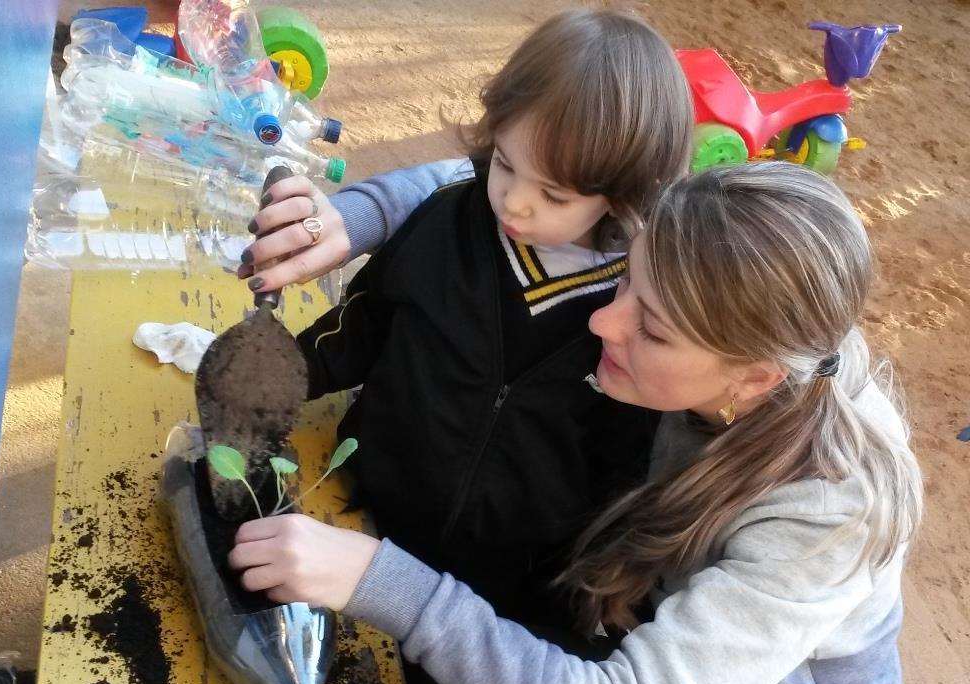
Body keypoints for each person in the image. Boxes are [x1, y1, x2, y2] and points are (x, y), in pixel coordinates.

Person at [229, 162, 924, 684]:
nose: (604, 322)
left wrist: (383, 581)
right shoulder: (703, 261)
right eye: (626, 283)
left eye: (650, 328)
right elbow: (517, 176)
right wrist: (351, 219)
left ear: (755, 380)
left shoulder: (830, 514)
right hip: (650, 585)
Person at [243, 9, 694, 622]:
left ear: (622, 195)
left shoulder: (625, 308)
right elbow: (368, 317)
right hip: (360, 501)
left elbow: (619, 463)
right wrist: (286, 374)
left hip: (497, 579)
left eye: (555, 195)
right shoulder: (452, 218)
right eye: (506, 163)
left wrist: (595, 576)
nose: (515, 201)